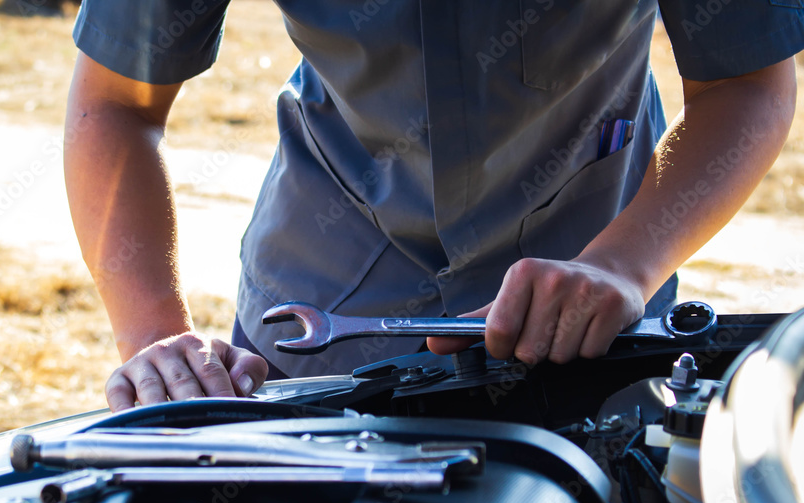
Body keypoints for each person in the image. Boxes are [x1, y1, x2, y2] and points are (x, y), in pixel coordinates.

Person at [64, 1, 800, 411]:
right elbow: (115, 104)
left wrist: (623, 264)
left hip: (590, 327)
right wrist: (156, 336)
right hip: (316, 321)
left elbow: (749, 84)